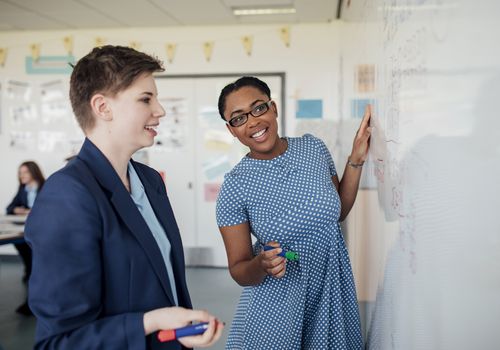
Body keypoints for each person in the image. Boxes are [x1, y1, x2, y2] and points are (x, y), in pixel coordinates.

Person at [24, 45, 223, 349]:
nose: (160, 110)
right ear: (103, 108)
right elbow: (59, 342)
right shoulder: (67, 195)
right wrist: (151, 323)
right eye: (146, 99)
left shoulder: (150, 181)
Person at [216, 76, 371, 349]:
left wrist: (356, 159)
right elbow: (239, 269)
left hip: (330, 288)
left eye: (259, 108)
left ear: (273, 108)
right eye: (239, 118)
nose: (252, 121)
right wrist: (261, 264)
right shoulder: (235, 185)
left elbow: (337, 211)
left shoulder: (313, 148)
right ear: (231, 130)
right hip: (278, 304)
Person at [5, 161, 45, 316]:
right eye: (20, 173)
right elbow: (9, 208)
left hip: (41, 232)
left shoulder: (46, 186)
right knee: (21, 245)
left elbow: (50, 209)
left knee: (33, 251)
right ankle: (30, 269)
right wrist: (17, 209)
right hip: (25, 231)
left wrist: (30, 211)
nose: (21, 176)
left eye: (25, 172)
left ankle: (32, 296)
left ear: (34, 172)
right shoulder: (23, 189)